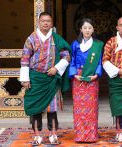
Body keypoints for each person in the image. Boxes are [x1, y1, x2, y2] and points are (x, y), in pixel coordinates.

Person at [20, 12, 71, 145]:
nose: (45, 23)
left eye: (48, 21)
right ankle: (37, 135)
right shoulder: (31, 39)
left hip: (51, 79)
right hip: (35, 78)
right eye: (43, 21)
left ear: (51, 23)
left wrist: (57, 68)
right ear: (38, 22)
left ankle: (53, 134)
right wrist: (25, 79)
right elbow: (25, 59)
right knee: (36, 108)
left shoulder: (57, 39)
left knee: (51, 109)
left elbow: (66, 56)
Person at [68, 18, 104, 143]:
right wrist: (73, 74)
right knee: (79, 108)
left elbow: (99, 61)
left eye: (89, 28)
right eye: (85, 28)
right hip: (78, 77)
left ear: (93, 29)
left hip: (92, 77)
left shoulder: (98, 44)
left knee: (91, 107)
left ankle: (91, 135)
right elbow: (71, 61)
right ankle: (80, 135)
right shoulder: (75, 44)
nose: (87, 30)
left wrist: (97, 74)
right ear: (80, 29)